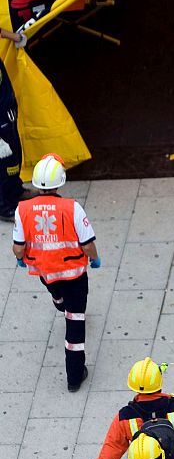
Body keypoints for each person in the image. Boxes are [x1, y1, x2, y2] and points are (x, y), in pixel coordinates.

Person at [12, 153, 99, 391]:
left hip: (46, 273)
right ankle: (74, 376)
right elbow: (88, 244)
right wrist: (95, 258)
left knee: (59, 298)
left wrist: (20, 259)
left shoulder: (23, 210)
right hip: (74, 274)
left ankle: (59, 301)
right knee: (75, 323)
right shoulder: (73, 208)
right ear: (60, 181)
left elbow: (18, 247)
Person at [0, 27, 33, 221]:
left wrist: (15, 37)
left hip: (7, 109)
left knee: (15, 153)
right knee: (5, 160)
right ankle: (6, 206)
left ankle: (15, 190)